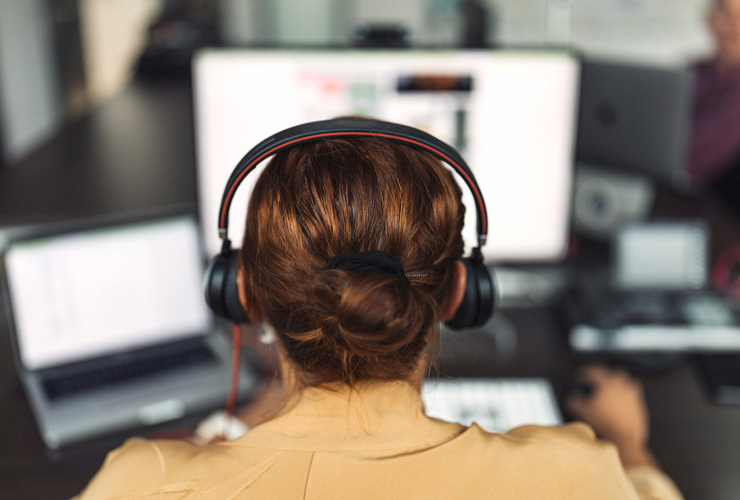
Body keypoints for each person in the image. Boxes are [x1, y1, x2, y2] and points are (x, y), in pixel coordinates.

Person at [73, 131, 682, 499]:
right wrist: (631, 445)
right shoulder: (574, 473)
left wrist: (228, 435)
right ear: (459, 293)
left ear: (242, 293)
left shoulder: (141, 481)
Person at [689, 0, 740, 214]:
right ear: (710, 19)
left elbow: (691, 161)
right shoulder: (693, 72)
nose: (735, 26)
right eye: (727, 15)